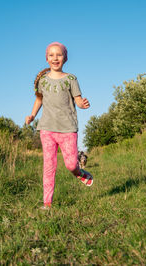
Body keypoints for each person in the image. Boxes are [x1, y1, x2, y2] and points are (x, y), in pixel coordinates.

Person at [25, 42, 93, 210]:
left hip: (68, 128)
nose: (55, 58)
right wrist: (32, 115)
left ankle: (79, 173)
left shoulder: (71, 79)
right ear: (47, 58)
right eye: (51, 55)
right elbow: (39, 99)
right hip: (46, 128)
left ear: (65, 58)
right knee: (49, 166)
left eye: (59, 55)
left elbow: (77, 99)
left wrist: (82, 104)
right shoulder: (42, 80)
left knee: (70, 164)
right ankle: (47, 203)